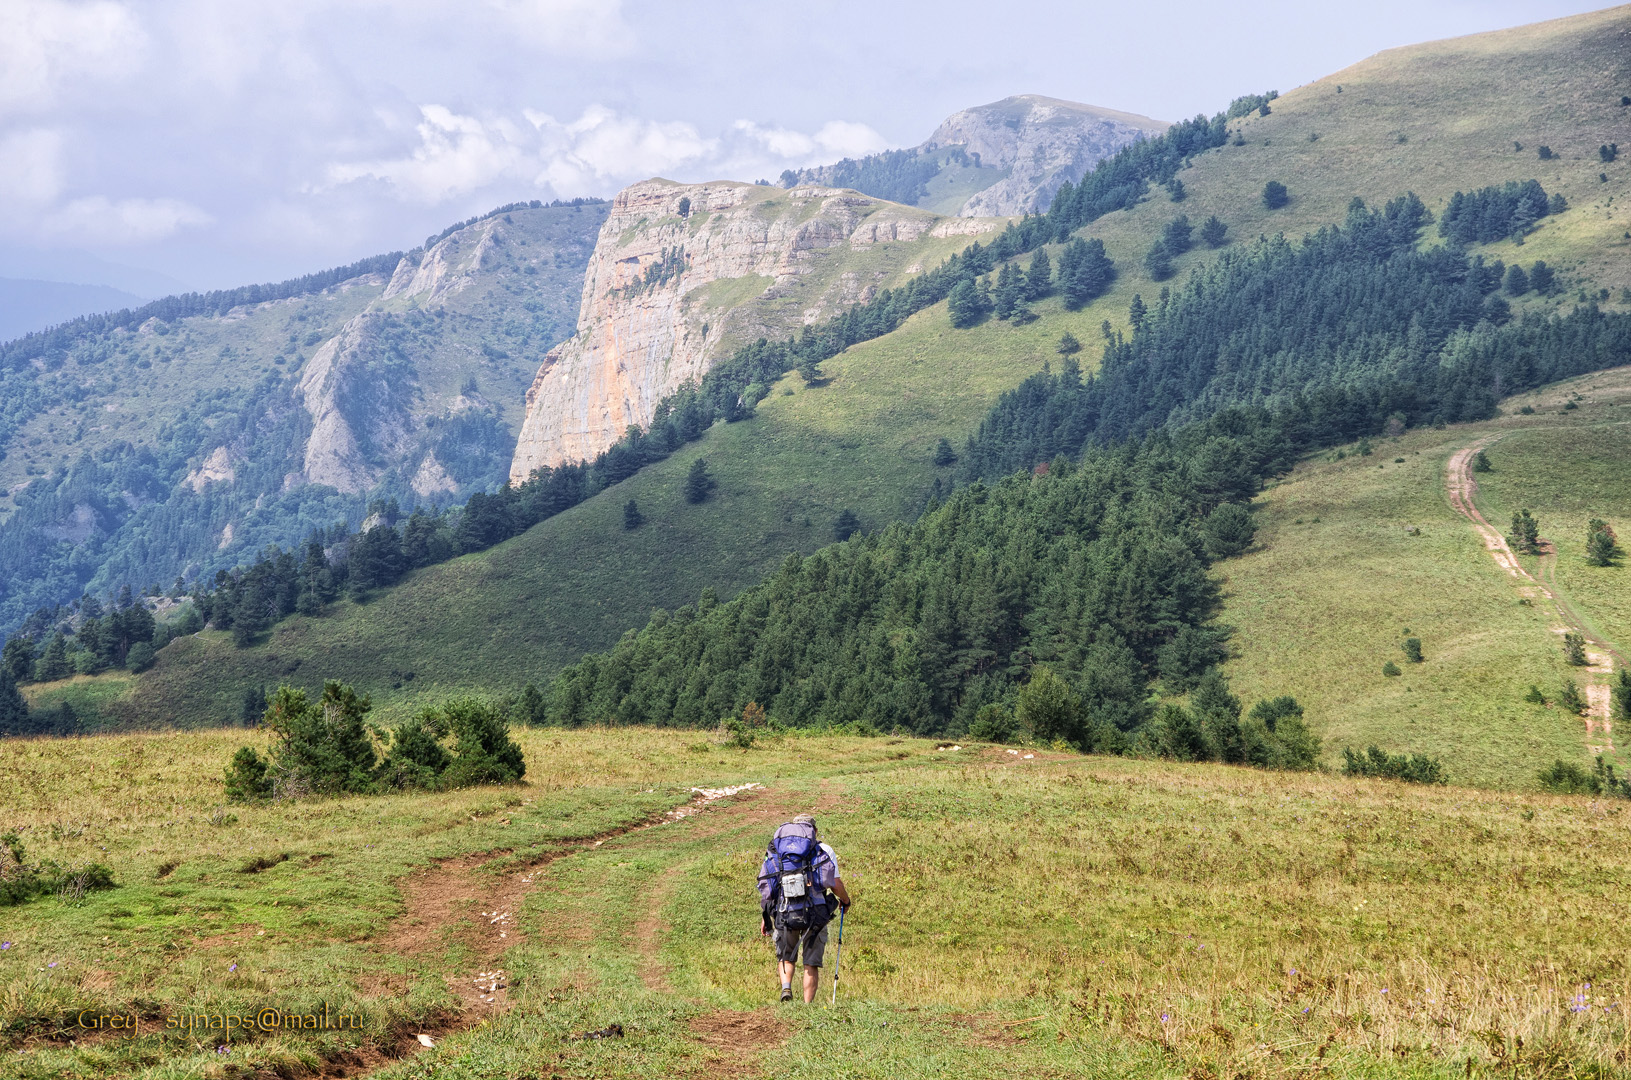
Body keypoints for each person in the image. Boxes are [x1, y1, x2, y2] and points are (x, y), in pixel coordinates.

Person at [758, 813, 851, 1003]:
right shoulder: (823, 849)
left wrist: (766, 917)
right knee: (811, 963)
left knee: (786, 956)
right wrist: (846, 900)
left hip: (784, 911)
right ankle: (807, 1006)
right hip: (814, 914)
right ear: (814, 831)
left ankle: (786, 989)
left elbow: (770, 886)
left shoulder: (778, 851)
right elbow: (834, 883)